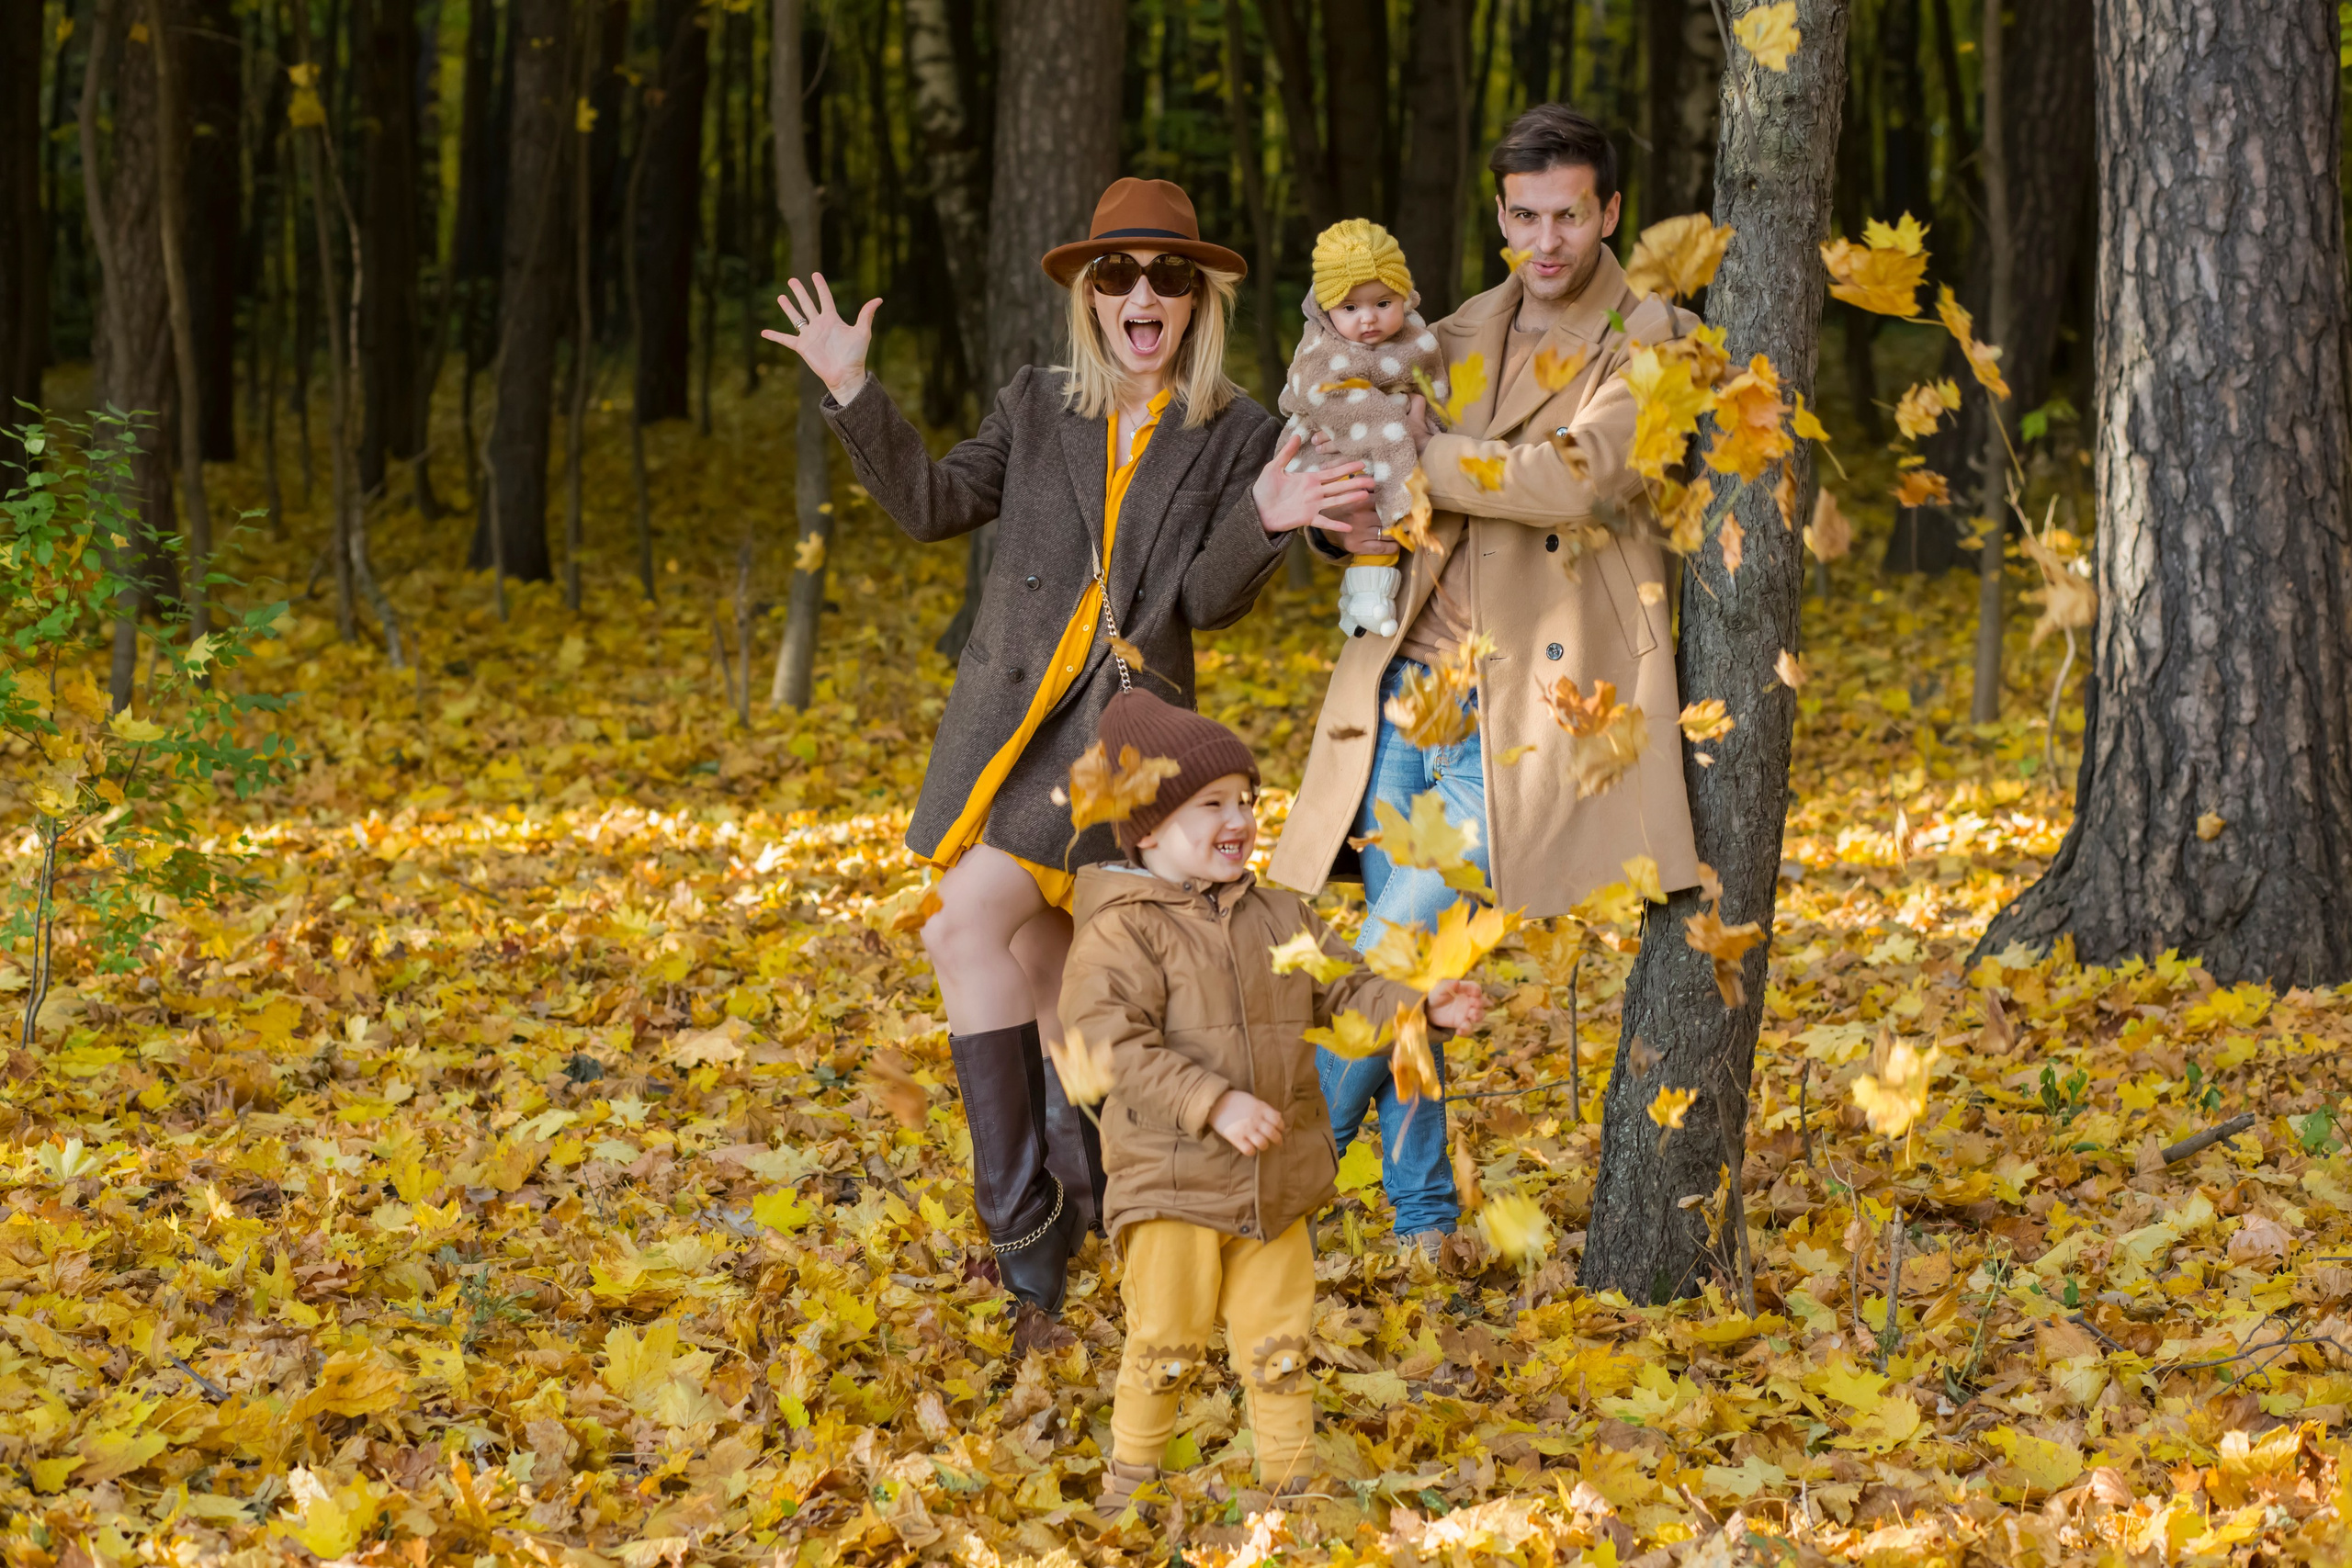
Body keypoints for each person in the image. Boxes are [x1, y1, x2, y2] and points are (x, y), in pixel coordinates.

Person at [762, 179, 1374, 1318]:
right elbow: (936, 504)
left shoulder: (1238, 430)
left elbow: (1206, 597)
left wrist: (1268, 520)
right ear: (1088, 295)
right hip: (1013, 732)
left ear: (1199, 301)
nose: (1142, 293)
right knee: (1050, 981)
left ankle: (1025, 1225)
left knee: (964, 927)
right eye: (1118, 274)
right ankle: (1081, 1210)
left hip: (1123, 751)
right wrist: (851, 387)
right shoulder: (1039, 405)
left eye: (1170, 276)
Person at [1267, 105, 1702, 1258]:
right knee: (1403, 977)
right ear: (1498, 215)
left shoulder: (1656, 339)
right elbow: (1358, 466)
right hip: (1404, 692)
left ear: (1610, 211)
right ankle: (1422, 1224)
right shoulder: (1452, 332)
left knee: (1390, 966)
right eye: (1524, 216)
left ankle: (1246, 1198)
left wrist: (1420, 457)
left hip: (1531, 716)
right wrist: (1337, 515)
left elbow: (1579, 480)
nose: (1546, 240)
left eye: (1570, 214)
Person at [1058, 691, 1486, 1515]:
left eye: (1246, 801)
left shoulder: (1279, 911)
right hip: (1173, 1180)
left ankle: (1289, 1487)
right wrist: (1212, 1102)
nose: (1240, 819)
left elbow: (1347, 988)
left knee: (1281, 1342)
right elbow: (1107, 1042)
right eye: (1210, 804)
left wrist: (1418, 1008)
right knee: (1168, 1342)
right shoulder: (1123, 929)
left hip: (1276, 1181)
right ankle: (1130, 1481)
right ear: (1146, 829)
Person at [1274, 220, 1444, 640]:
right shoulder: (1322, 349)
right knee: (1371, 503)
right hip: (1327, 446)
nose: (1368, 319)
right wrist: (1392, 426)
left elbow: (1432, 387)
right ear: (1327, 311)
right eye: (1350, 308)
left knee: (1375, 506)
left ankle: (1358, 601)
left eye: (1383, 303)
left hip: (1386, 444)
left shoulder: (1416, 337)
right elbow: (1328, 395)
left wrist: (1425, 427)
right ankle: (1367, 596)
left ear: (1404, 295)